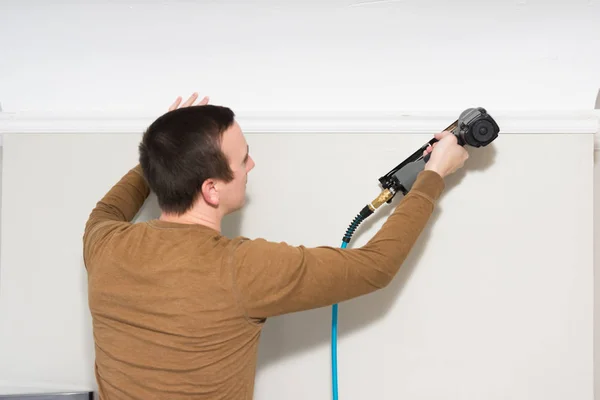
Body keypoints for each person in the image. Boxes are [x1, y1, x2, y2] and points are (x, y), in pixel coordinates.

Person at [83, 92, 469, 399]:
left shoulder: (103, 245)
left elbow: (109, 207)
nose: (251, 166)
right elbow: (376, 266)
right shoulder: (241, 268)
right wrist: (433, 175)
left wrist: (168, 150)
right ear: (211, 189)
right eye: (243, 159)